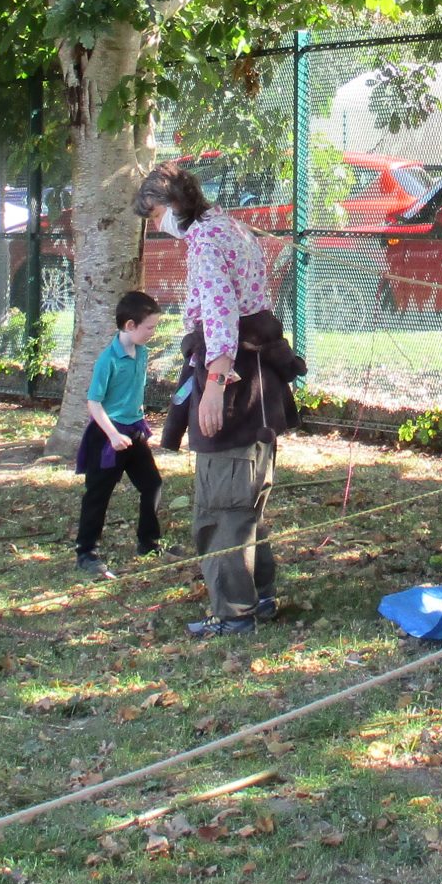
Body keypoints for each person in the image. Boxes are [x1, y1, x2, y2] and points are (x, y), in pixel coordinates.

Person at [138, 161, 306, 637]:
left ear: (173, 205)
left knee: (223, 505)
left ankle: (233, 613)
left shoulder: (206, 243)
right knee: (247, 502)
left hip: (235, 386)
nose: (155, 227)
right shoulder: (230, 226)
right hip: (260, 386)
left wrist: (214, 386)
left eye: (154, 217)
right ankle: (260, 595)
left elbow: (219, 312)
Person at [74, 289, 165, 576]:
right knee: (98, 494)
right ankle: (86, 552)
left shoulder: (142, 353)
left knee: (152, 484)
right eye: (149, 327)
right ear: (130, 326)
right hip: (108, 437)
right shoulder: (107, 360)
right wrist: (112, 435)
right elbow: (93, 402)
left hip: (134, 433)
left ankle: (148, 542)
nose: (153, 332)